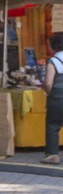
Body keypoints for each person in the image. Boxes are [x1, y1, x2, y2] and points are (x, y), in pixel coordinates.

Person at [42, 33, 63, 165]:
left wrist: (48, 93)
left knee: (53, 125)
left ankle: (52, 155)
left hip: (58, 97)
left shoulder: (53, 61)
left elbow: (49, 83)